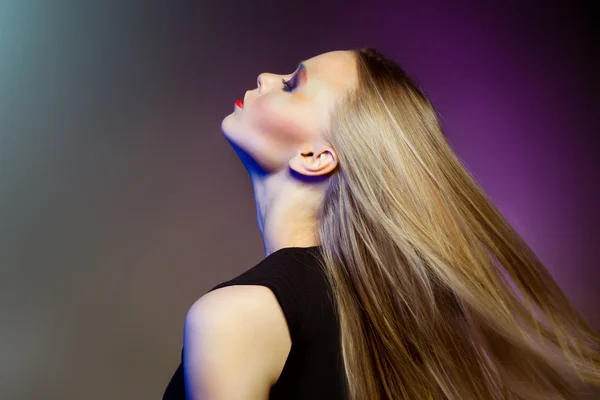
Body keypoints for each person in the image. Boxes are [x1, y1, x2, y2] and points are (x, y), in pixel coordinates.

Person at [163, 48, 600, 399]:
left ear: (317, 156)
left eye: (293, 85)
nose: (264, 78)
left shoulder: (233, 317)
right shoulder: (401, 324)